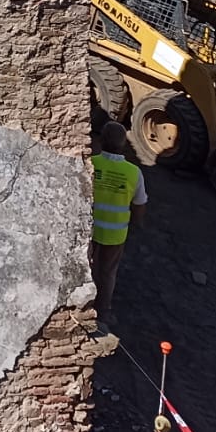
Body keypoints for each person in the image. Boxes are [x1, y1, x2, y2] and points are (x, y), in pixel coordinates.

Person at [90, 120, 147, 311]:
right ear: (123, 144)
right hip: (116, 233)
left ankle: (84, 307)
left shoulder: (91, 163)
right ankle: (103, 311)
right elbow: (139, 203)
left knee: (87, 268)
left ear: (101, 141)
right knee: (108, 273)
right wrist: (137, 224)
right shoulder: (133, 172)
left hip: (89, 229)